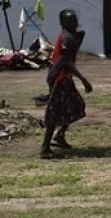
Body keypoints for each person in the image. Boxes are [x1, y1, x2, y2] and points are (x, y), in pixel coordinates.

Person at [40, 8, 93, 158]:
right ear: (63, 23)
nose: (75, 23)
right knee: (54, 113)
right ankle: (45, 148)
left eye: (75, 20)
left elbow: (69, 54)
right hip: (60, 77)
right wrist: (83, 79)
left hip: (64, 77)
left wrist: (78, 40)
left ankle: (60, 135)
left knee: (77, 105)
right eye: (71, 21)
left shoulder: (68, 37)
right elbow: (66, 61)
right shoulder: (66, 38)